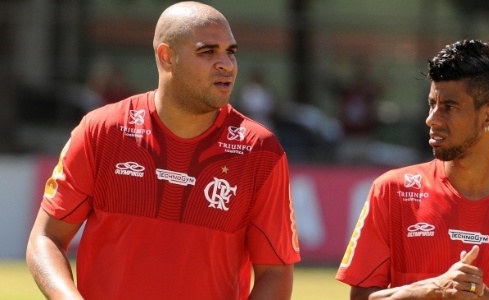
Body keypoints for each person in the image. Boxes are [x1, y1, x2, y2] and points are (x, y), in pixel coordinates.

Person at [26, 2, 300, 300]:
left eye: (230, 51)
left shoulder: (260, 151)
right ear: (167, 56)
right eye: (208, 51)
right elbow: (46, 238)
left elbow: (275, 271)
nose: (227, 64)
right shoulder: (101, 131)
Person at [336, 39, 489, 299]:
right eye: (432, 104)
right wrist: (431, 289)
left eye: (449, 107)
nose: (431, 118)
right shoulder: (391, 191)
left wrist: (481, 295)